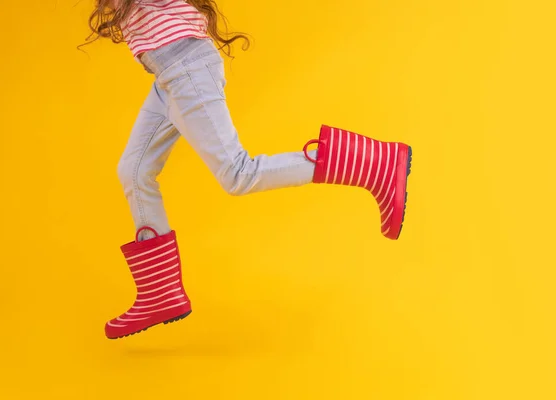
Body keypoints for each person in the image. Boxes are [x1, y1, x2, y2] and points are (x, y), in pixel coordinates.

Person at [85, 0, 413, 339]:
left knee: (239, 174)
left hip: (186, 68)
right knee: (134, 170)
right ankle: (160, 292)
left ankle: (374, 164)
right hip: (170, 73)